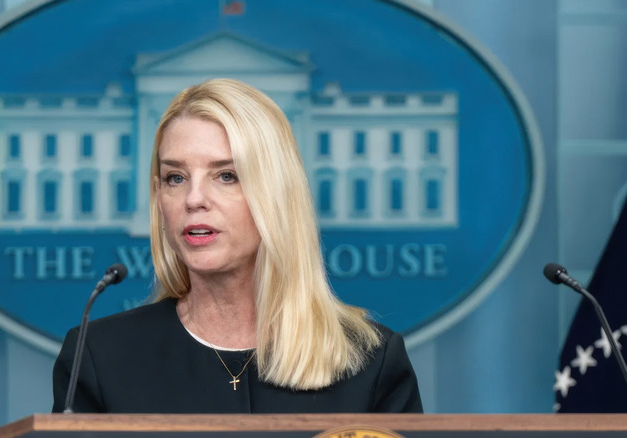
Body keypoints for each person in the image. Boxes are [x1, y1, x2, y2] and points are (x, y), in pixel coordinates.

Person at [52, 78, 422, 413]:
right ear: (157, 195)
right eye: (175, 177)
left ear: (277, 193)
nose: (194, 199)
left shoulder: (370, 361)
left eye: (226, 175)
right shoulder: (100, 355)